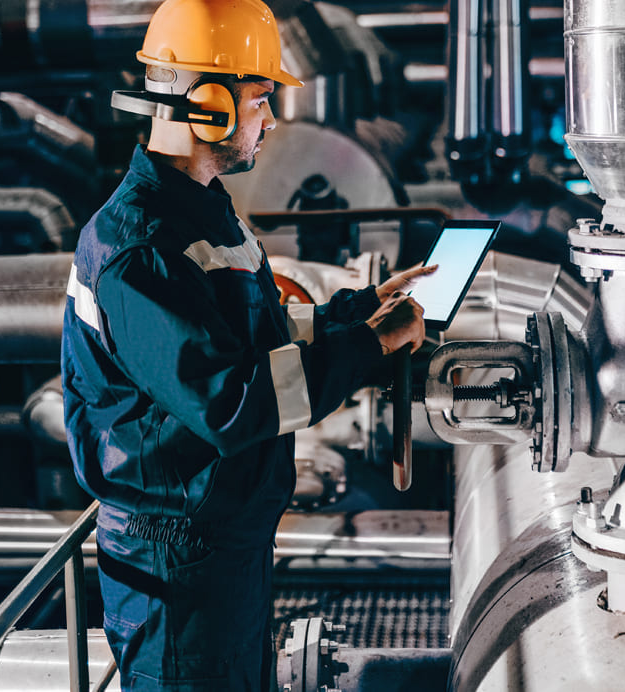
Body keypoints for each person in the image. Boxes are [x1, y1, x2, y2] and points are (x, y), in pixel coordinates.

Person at [61, 0, 435, 689]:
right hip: (175, 563)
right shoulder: (143, 250)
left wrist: (359, 312)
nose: (271, 119)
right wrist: (369, 348)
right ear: (209, 107)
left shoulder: (200, 210)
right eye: (261, 99)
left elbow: (258, 333)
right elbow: (231, 402)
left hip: (220, 544)